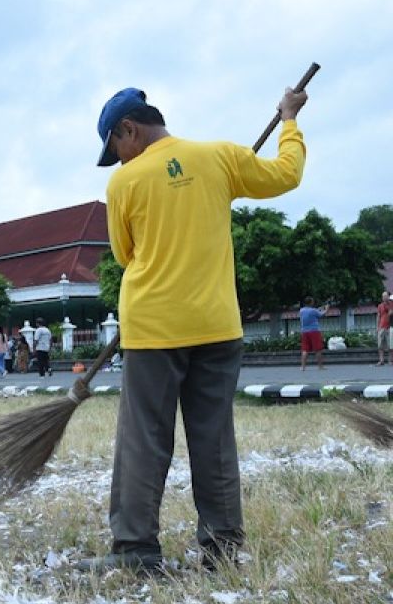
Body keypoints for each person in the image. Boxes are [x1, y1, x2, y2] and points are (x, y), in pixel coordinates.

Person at [79, 83, 308, 575]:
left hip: (153, 329)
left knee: (145, 438)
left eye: (115, 148)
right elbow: (287, 174)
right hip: (216, 325)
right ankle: (222, 550)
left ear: (129, 129)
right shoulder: (220, 157)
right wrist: (288, 119)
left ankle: (137, 552)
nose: (117, 160)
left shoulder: (125, 184)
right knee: (213, 438)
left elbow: (125, 255)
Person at [299, 296, 329, 371]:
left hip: (304, 331)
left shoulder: (301, 310)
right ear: (311, 302)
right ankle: (320, 366)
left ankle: (303, 367)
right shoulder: (313, 311)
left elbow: (313, 311)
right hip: (314, 331)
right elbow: (321, 315)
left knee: (305, 349)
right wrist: (326, 309)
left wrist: (319, 308)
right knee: (318, 349)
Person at [377, 291, 391, 366]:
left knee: (390, 345)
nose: (384, 298)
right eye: (383, 296)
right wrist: (377, 327)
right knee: (380, 345)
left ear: (388, 297)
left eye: (385, 296)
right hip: (381, 327)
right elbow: (378, 316)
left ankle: (390, 361)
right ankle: (381, 360)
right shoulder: (380, 306)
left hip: (390, 327)